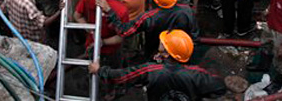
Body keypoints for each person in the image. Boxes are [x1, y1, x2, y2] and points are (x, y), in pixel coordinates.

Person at [88, 30, 226, 101]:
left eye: (163, 43)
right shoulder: (197, 74)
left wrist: (100, 70)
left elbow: (122, 77)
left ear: (167, 54)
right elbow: (220, 87)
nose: (160, 42)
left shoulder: (151, 70)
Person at [97, 0, 200, 58]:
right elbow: (194, 37)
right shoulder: (187, 11)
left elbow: (124, 31)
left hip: (155, 56)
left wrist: (109, 10)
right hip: (180, 55)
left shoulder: (149, 17)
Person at [74, 0, 129, 64]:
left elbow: (77, 16)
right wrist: (102, 42)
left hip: (91, 45)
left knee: (91, 70)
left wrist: (91, 30)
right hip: (111, 51)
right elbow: (121, 36)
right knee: (113, 73)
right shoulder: (121, 10)